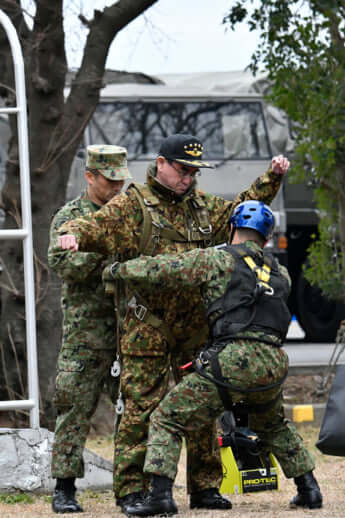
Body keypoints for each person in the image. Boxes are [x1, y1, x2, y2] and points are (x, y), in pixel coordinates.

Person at [56, 133, 289, 514]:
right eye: (182, 169)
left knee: (202, 406)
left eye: (194, 172)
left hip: (194, 326)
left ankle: (205, 487)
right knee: (140, 408)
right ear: (161, 164)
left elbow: (243, 213)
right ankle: (132, 490)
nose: (188, 178)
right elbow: (96, 226)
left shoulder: (203, 208)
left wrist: (272, 178)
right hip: (145, 324)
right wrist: (73, 236)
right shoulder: (133, 205)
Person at [103, 200, 323, 516]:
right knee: (272, 424)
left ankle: (160, 495)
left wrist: (117, 270)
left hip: (232, 360)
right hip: (274, 363)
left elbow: (164, 270)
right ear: (267, 237)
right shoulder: (281, 273)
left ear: (232, 228)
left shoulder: (218, 259)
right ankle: (310, 489)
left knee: (167, 417)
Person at [48, 145, 132, 514]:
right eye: (109, 181)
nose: (117, 188)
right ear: (90, 177)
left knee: (132, 414)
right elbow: (63, 262)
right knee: (73, 410)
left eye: (120, 181)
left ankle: (131, 487)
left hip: (128, 333)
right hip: (85, 336)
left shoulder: (131, 213)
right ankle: (64, 488)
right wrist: (106, 256)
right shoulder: (71, 217)